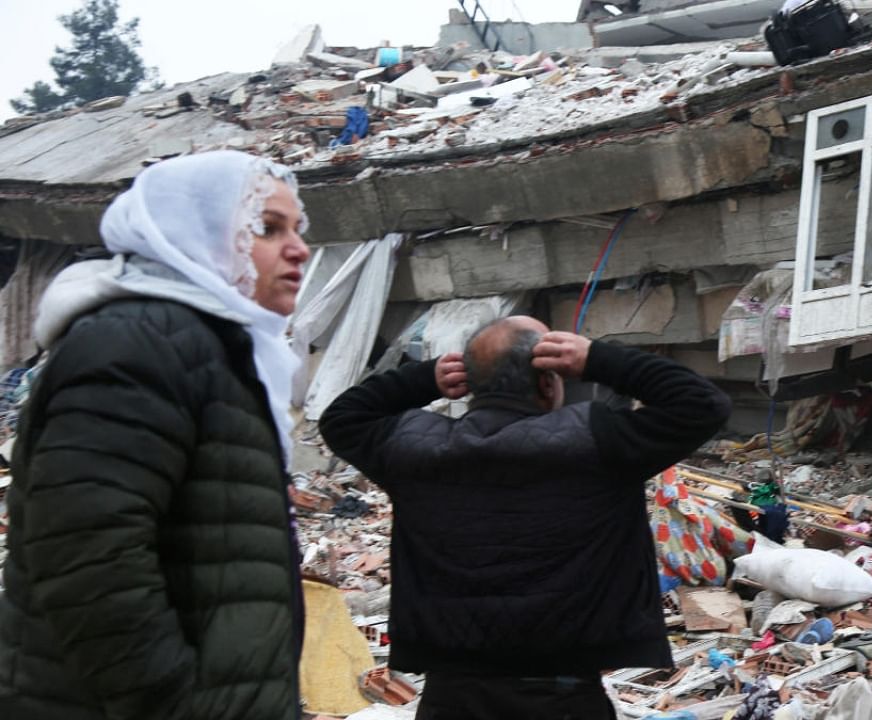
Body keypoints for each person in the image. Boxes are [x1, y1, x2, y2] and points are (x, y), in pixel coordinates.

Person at [0, 151, 312, 720]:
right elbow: (87, 560)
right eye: (267, 229)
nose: (299, 248)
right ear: (195, 236)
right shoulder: (137, 341)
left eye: (298, 228)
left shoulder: (217, 349)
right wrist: (173, 704)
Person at [320, 316, 732, 720]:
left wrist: (421, 379)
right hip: (564, 695)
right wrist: (599, 360)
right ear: (548, 381)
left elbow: (341, 418)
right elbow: (703, 404)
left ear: (468, 382)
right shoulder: (597, 441)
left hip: (450, 695)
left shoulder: (413, 448)